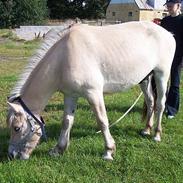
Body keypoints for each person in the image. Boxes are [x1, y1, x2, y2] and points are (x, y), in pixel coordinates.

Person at [161, 0, 183, 119]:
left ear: (178, 5)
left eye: (171, 6)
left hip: (177, 57)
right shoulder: (165, 21)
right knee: (161, 82)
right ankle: (162, 104)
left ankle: (171, 109)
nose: (168, 8)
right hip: (163, 58)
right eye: (167, 6)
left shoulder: (182, 20)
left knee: (174, 84)